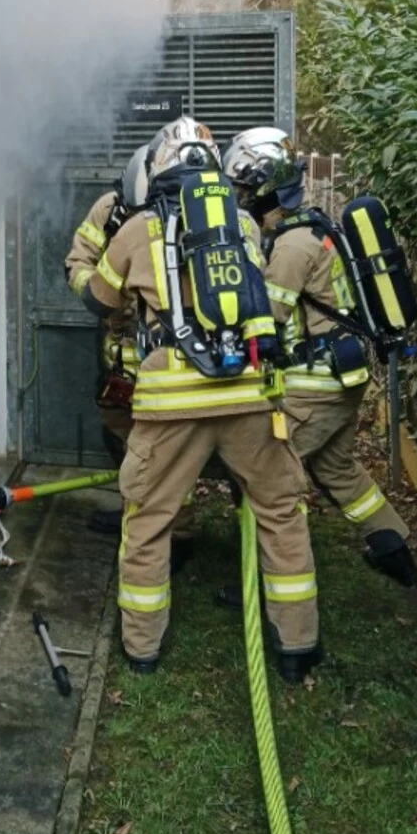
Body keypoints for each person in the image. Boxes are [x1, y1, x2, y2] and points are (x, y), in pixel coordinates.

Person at [79, 116, 322, 683]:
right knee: (281, 514)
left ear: (159, 168)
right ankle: (297, 646)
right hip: (248, 398)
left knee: (148, 521)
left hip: (170, 410)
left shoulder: (137, 230)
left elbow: (99, 299)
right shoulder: (241, 221)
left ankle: (142, 648)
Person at [215, 128, 417, 611]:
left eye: (245, 190)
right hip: (341, 381)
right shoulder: (314, 228)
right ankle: (395, 553)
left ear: (265, 189)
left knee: (265, 482)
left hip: (314, 387)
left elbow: (267, 322)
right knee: (339, 470)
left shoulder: (290, 248)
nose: (241, 198)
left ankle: (265, 587)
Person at [65, 145, 195, 568]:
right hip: (120, 351)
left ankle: (177, 530)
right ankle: (135, 513)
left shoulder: (184, 214)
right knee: (118, 430)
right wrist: (97, 292)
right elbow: (78, 259)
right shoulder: (109, 208)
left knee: (168, 445)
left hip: (169, 355)